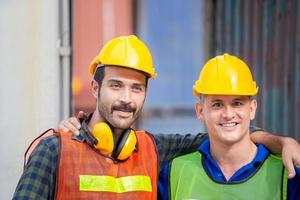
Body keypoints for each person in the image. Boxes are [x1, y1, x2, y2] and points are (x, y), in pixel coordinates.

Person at [13, 36, 300, 199]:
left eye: (136, 88)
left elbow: (224, 134)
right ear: (95, 88)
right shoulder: (55, 150)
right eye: (116, 85)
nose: (126, 98)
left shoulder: (153, 151)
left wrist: (281, 142)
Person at [159, 53, 300, 200]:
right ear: (200, 111)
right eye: (217, 104)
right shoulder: (175, 172)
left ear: (252, 109)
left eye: (237, 103)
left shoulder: (287, 174)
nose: (228, 114)